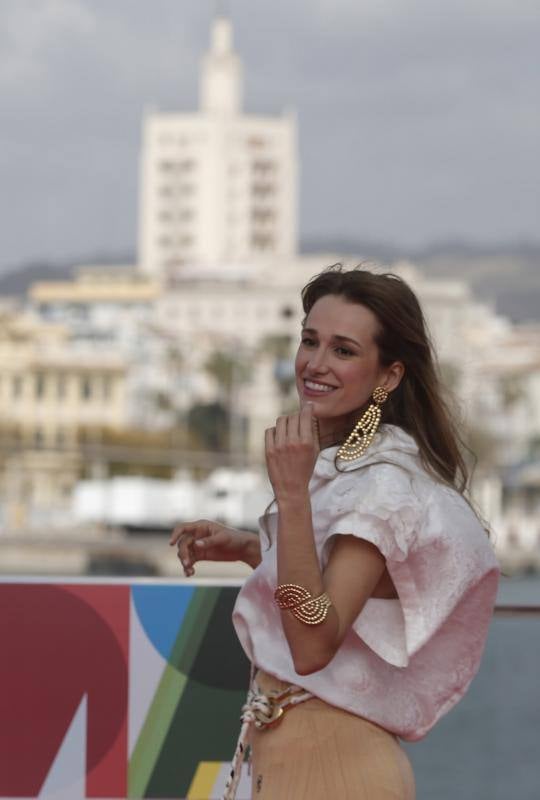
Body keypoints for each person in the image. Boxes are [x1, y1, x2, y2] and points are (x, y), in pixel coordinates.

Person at [170, 266, 500, 800]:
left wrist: (294, 496)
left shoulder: (382, 486)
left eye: (343, 350)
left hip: (338, 771)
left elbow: (313, 640)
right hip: (289, 759)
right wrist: (253, 548)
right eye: (309, 341)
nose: (315, 364)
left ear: (388, 376)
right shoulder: (352, 465)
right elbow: (340, 582)